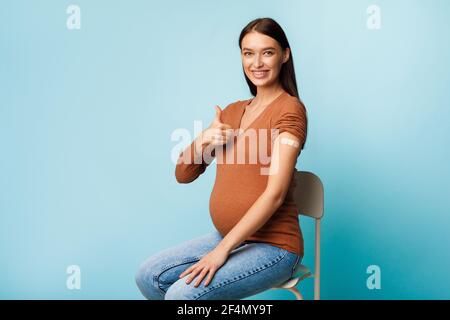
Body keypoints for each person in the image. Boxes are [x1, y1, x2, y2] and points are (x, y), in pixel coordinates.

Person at [135, 17, 308, 300]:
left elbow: (275, 194)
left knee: (182, 296)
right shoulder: (229, 113)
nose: (257, 63)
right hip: (229, 238)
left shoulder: (289, 111)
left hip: (275, 247)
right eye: (248, 53)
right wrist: (204, 138)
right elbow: (183, 175)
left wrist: (222, 251)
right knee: (148, 276)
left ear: (285, 55)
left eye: (267, 52)